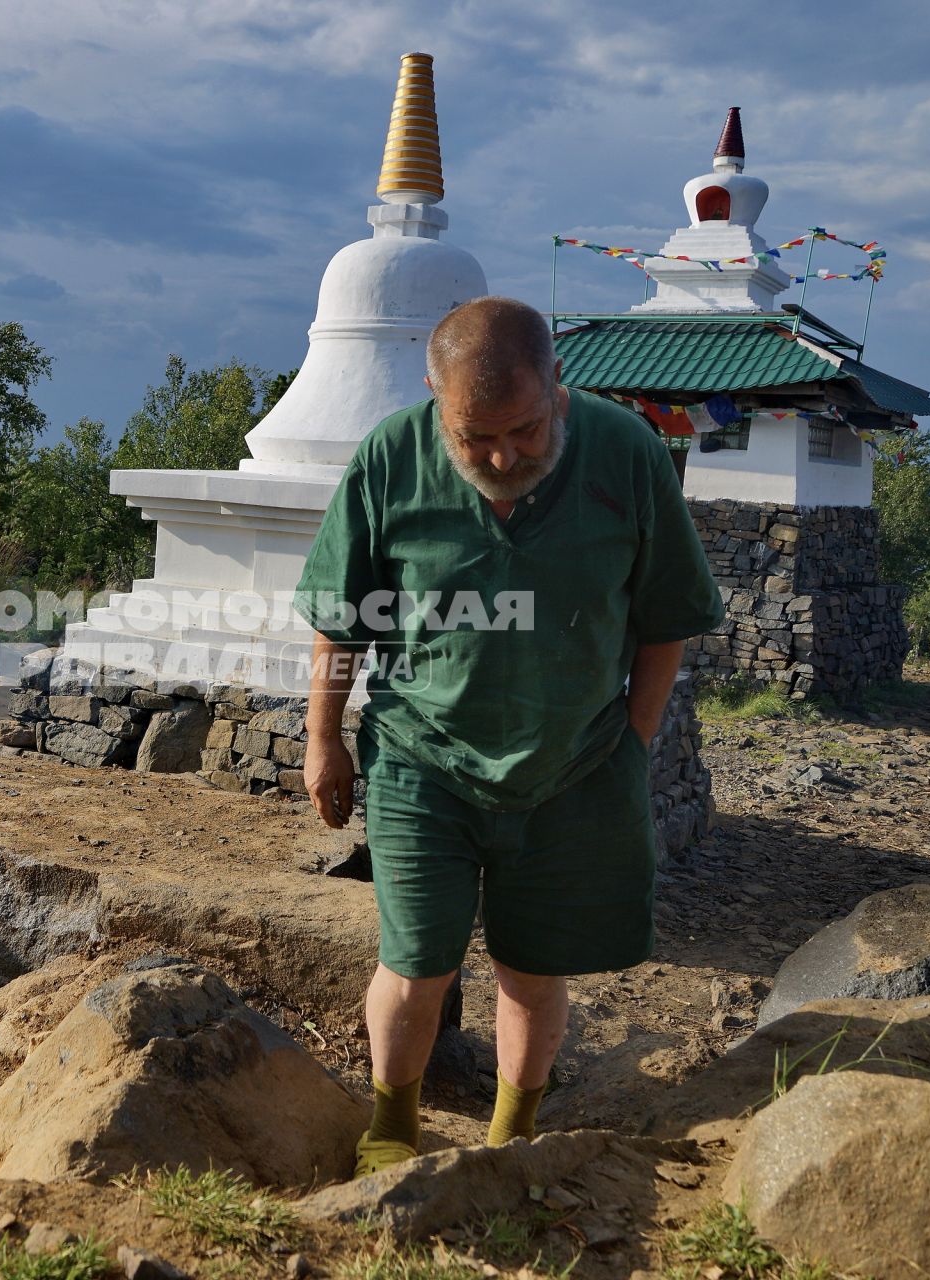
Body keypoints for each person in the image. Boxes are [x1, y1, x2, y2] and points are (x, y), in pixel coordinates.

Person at [294, 297, 724, 1176]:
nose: (501, 457)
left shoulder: (628, 455)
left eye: (523, 431)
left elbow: (664, 620)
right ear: (432, 399)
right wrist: (322, 737)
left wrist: (632, 742)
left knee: (533, 969)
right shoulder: (391, 459)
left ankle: (511, 1136)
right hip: (424, 756)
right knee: (417, 963)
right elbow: (340, 616)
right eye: (472, 437)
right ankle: (394, 1124)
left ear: (558, 389)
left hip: (576, 765)